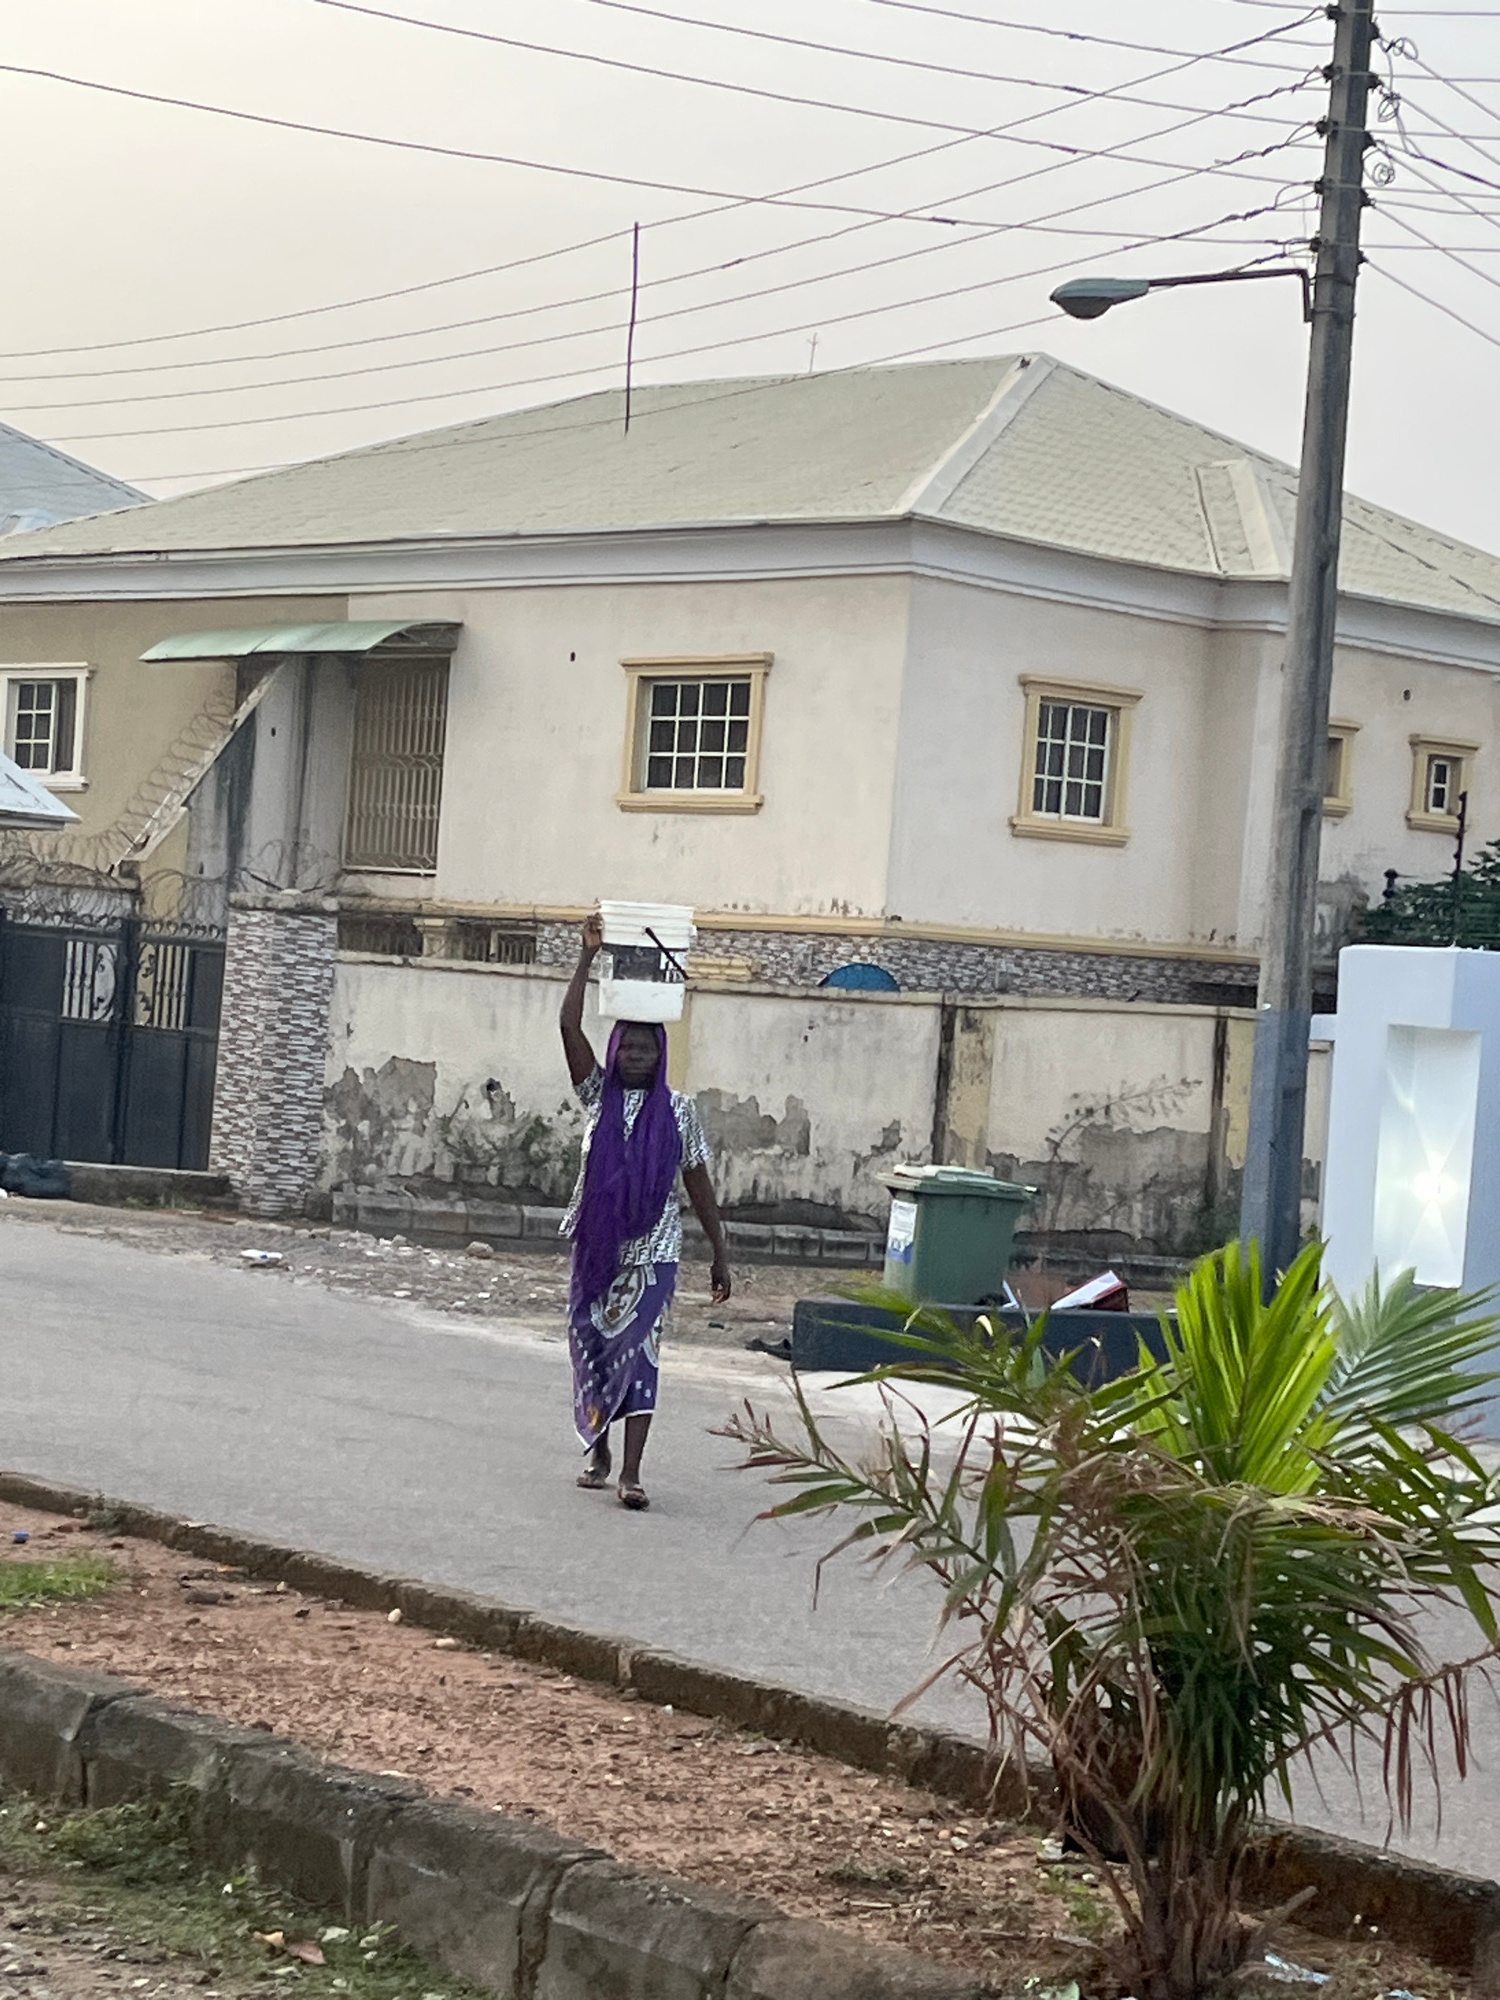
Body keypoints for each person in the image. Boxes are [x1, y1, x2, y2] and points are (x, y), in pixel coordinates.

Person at [558, 912, 731, 1510]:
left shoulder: (680, 1111)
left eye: (646, 1048)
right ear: (614, 1051)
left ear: (661, 1055)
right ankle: (599, 1449)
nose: (636, 1056)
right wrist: (587, 956)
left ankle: (631, 1473)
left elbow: (699, 1184)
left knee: (641, 1354)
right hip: (597, 1249)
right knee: (592, 1348)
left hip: (654, 1253)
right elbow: (567, 1024)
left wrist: (720, 1253)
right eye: (627, 1046)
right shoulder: (596, 1097)